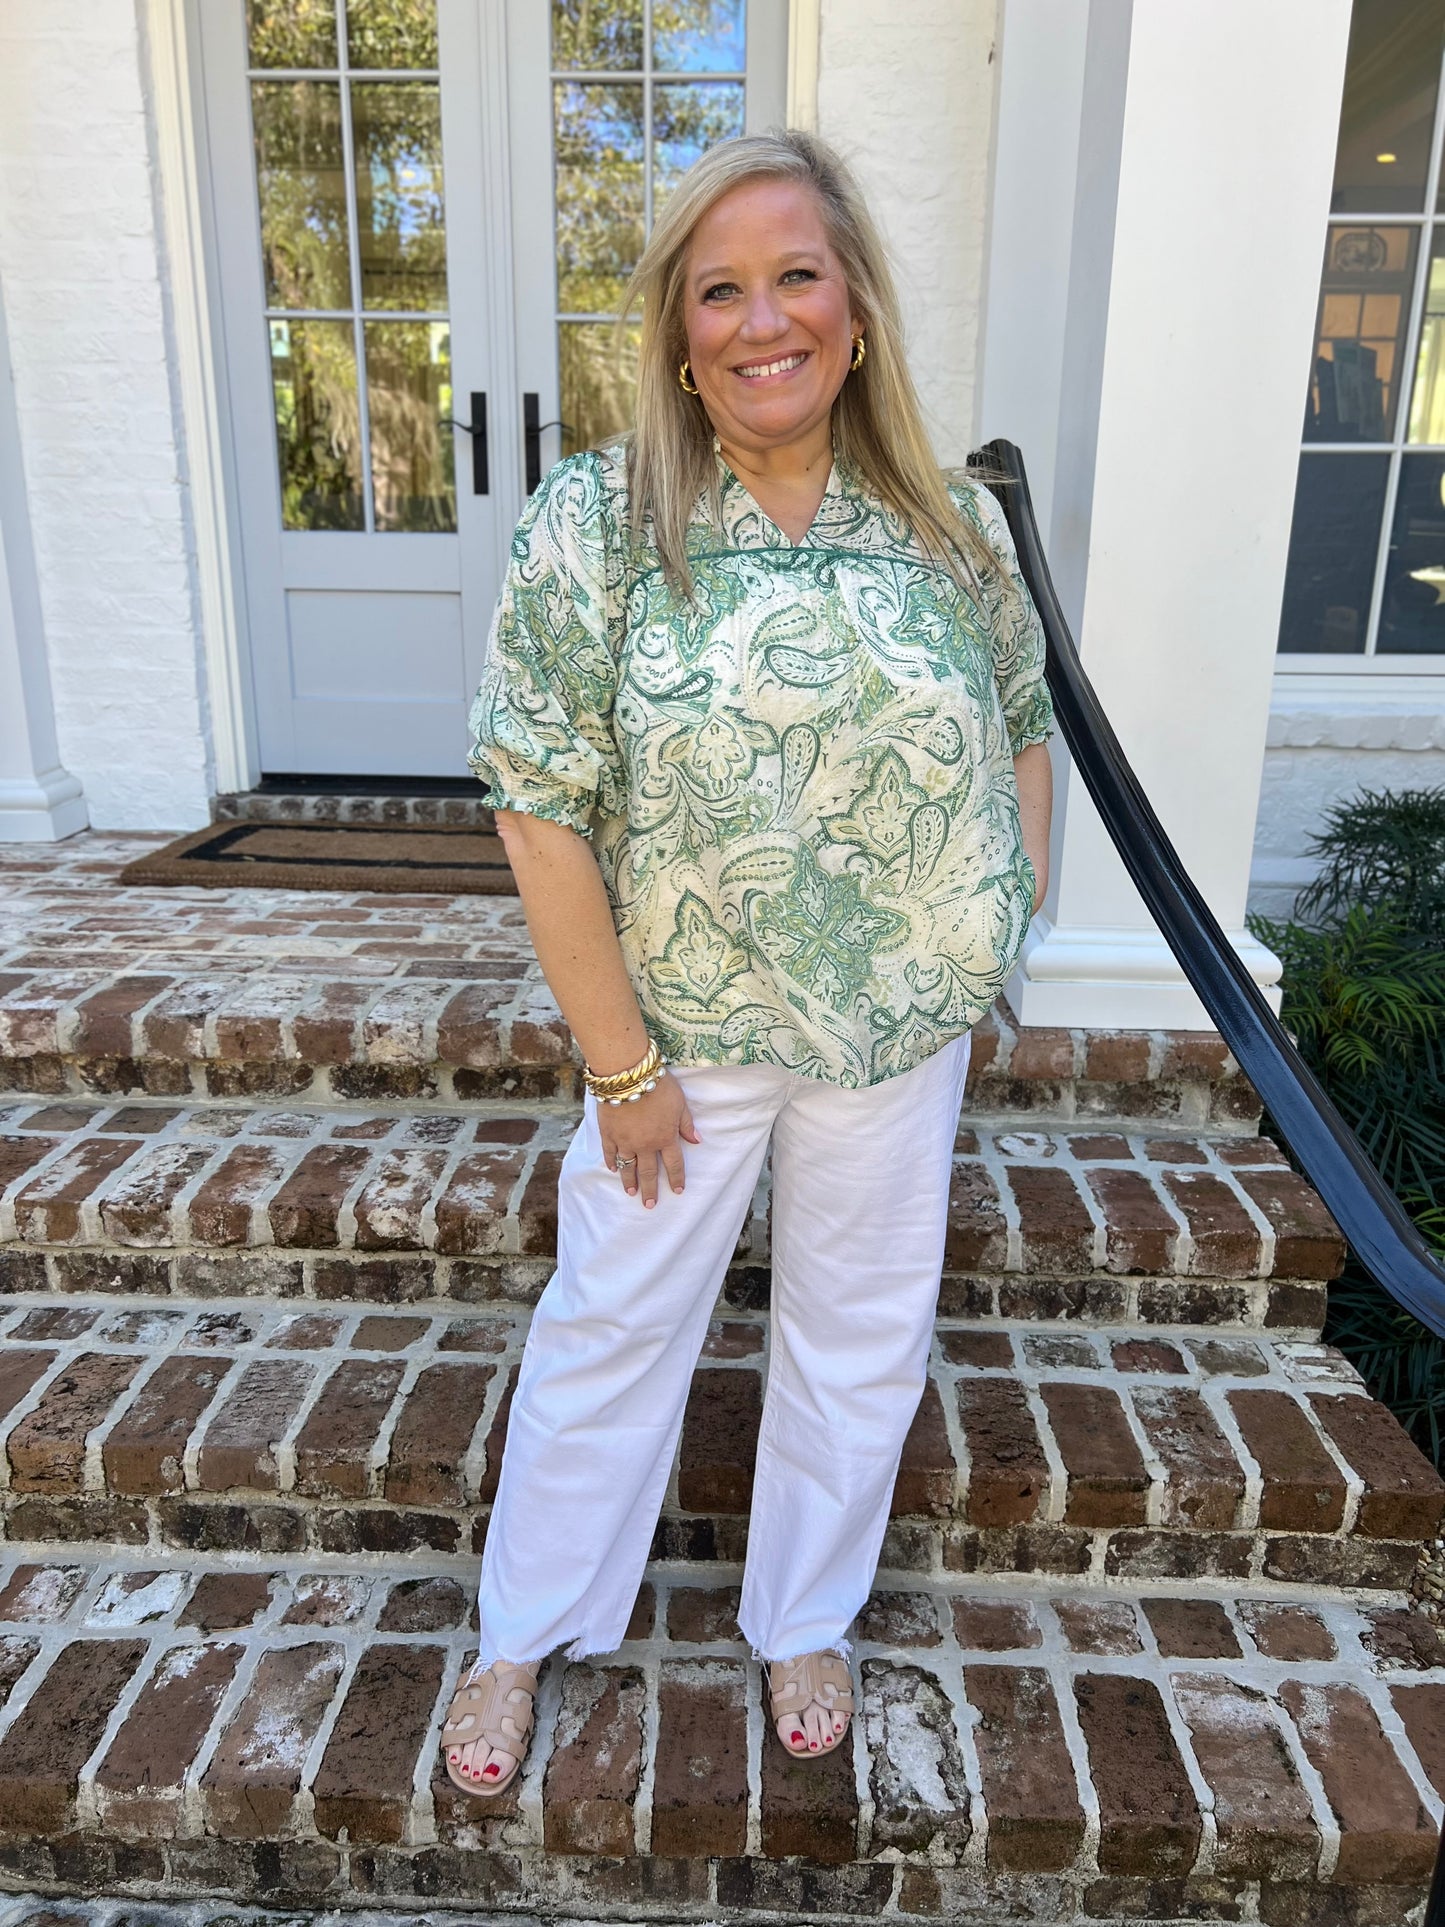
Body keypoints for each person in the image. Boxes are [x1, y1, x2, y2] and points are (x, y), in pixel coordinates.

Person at [439, 129, 1054, 1798]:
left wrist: (1004, 918)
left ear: (852, 308)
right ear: (676, 328)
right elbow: (536, 804)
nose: (760, 317)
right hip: (685, 1040)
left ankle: (805, 1611)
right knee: (611, 1327)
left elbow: (1018, 718)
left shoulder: (941, 525)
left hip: (894, 1030)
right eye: (720, 288)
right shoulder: (603, 522)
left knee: (857, 1329)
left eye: (795, 274)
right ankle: (523, 1628)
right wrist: (618, 1064)